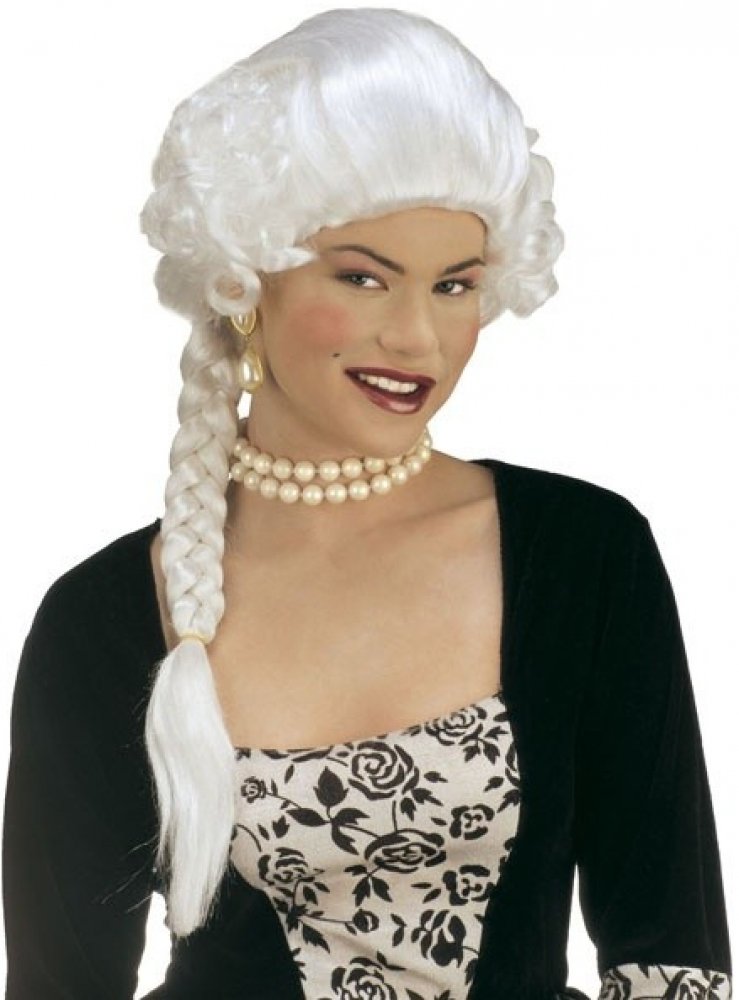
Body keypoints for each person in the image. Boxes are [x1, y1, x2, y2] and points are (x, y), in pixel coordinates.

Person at [2, 7, 732, 999]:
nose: (416, 339)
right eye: (362, 277)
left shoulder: (584, 556)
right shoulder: (103, 617)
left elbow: (674, 958)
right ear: (242, 281)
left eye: (454, 286)